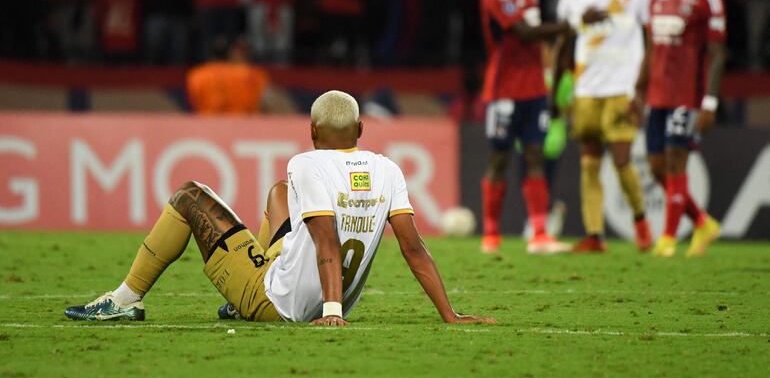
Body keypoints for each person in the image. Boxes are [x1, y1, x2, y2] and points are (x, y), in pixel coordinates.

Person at [65, 90, 495, 326]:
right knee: (277, 193)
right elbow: (413, 248)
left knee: (188, 195)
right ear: (361, 129)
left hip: (278, 302)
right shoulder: (387, 169)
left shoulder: (306, 162)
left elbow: (326, 239)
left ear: (311, 131)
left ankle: (125, 299)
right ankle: (242, 301)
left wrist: (329, 315)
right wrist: (449, 315)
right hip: (328, 294)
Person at [554, 0, 653, 253]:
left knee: (622, 161)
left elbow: (651, 39)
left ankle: (641, 222)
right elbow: (562, 45)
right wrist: (557, 92)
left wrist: (641, 88)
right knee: (589, 163)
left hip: (622, 89)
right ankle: (595, 235)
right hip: (586, 90)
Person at [478, 0, 574, 255]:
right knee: (500, 158)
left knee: (535, 155)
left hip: (535, 88)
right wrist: (564, 27)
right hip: (504, 87)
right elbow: (522, 31)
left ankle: (540, 233)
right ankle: (491, 234)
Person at [632, 0, 724, 258]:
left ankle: (668, 239)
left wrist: (709, 103)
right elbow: (650, 48)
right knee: (657, 167)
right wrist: (638, 89)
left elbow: (716, 54)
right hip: (657, 95)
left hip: (688, 96)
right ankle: (702, 221)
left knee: (675, 161)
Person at [186, 38, 271, 115]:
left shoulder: (196, 75)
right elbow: (266, 102)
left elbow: (194, 103)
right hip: (244, 126)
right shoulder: (250, 74)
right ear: (231, 53)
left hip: (208, 126)